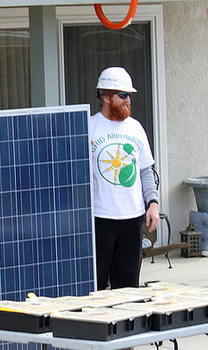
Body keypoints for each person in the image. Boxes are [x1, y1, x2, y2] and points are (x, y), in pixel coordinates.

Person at [90, 67, 160, 291]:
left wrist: (153, 204)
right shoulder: (89, 127)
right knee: (96, 286)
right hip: (99, 218)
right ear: (106, 96)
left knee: (128, 286)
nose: (128, 100)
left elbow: (145, 171)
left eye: (129, 95)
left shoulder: (136, 128)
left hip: (132, 218)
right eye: (123, 95)